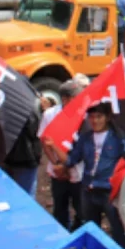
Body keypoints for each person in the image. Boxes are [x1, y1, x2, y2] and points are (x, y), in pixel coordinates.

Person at [47, 102, 125, 247]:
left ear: (107, 117)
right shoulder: (85, 138)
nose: (95, 121)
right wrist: (53, 145)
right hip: (88, 191)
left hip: (110, 192)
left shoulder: (118, 138)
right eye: (91, 117)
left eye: (99, 117)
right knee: (91, 231)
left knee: (119, 231)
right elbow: (71, 160)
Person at [39, 80, 85, 230]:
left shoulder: (85, 115)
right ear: (65, 99)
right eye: (76, 96)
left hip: (79, 171)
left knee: (82, 210)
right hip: (57, 172)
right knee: (60, 208)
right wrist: (56, 165)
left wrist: (67, 165)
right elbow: (45, 142)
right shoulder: (50, 115)